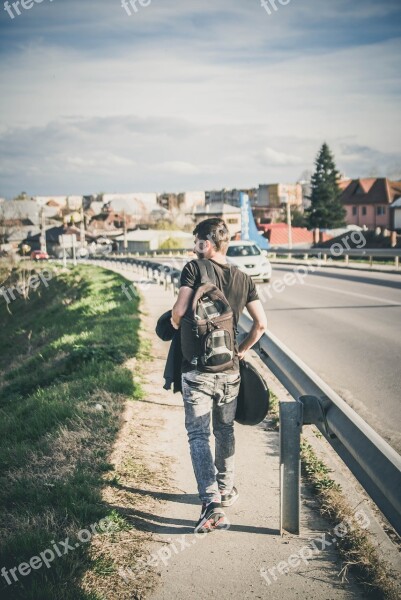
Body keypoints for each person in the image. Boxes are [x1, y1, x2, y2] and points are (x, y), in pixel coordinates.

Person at [171, 218, 267, 533]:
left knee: (199, 435)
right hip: (230, 369)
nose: (193, 246)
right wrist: (241, 350)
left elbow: (180, 311)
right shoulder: (243, 277)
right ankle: (225, 490)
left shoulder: (194, 268)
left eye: (197, 240)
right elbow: (261, 324)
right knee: (224, 431)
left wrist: (175, 321)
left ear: (207, 243)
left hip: (197, 369)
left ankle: (211, 504)